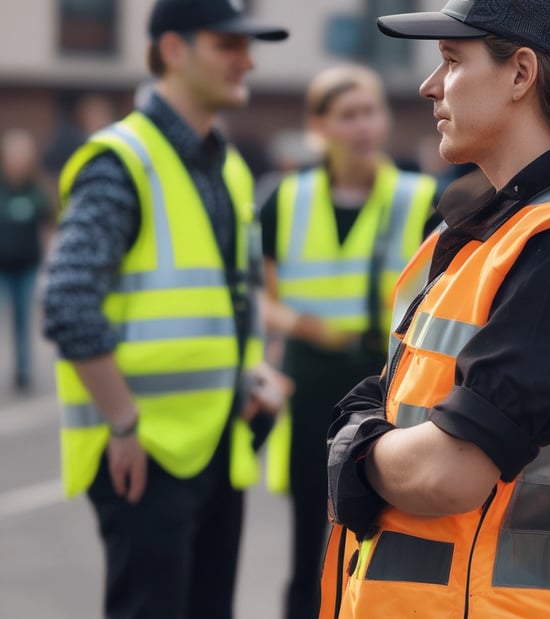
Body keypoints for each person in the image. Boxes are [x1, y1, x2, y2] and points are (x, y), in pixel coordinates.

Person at [320, 1, 550, 618]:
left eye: (452, 62)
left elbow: (450, 471)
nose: (429, 87)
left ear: (520, 74)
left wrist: (353, 451)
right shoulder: (501, 227)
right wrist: (377, 432)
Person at [42, 1, 290, 617]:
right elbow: (69, 302)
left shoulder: (226, 166)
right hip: (144, 454)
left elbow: (227, 298)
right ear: (174, 51)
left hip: (217, 442)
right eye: (227, 46)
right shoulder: (122, 161)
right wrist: (121, 425)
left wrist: (251, 371)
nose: (248, 60)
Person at [258, 64, 439, 619]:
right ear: (320, 125)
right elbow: (260, 296)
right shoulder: (286, 199)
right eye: (348, 114)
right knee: (308, 546)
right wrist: (300, 327)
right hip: (309, 384)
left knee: (379, 538)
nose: (364, 126)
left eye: (371, 111)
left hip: (384, 387)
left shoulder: (421, 198)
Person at [0, 129, 52, 391]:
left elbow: (46, 227)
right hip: (2, 266)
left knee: (23, 320)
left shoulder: (36, 190)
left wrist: (47, 263)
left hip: (27, 265)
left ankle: (23, 371)